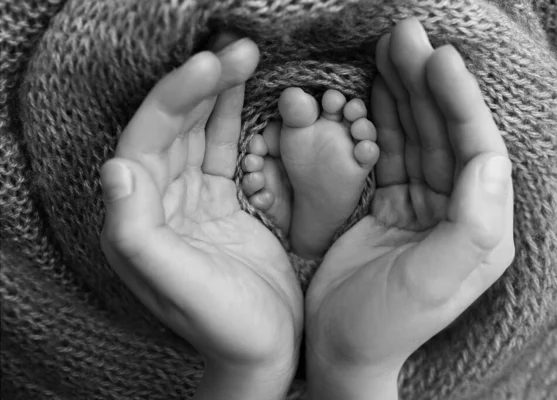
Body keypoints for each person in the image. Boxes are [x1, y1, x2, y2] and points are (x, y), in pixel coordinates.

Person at [99, 18, 514, 400]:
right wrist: (353, 373)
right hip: (369, 277)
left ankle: (305, 243)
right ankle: (315, 242)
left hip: (241, 266)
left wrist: (247, 375)